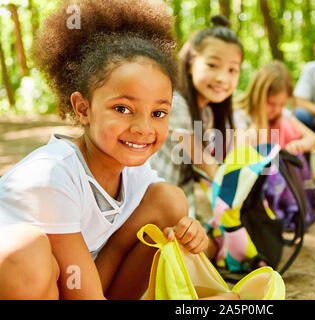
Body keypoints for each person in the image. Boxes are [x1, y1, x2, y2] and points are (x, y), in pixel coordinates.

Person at [0, 0, 237, 300]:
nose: (143, 128)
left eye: (158, 113)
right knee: (27, 251)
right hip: (32, 283)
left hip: (82, 285)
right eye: (122, 108)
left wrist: (190, 232)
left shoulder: (136, 172)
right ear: (82, 108)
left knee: (169, 201)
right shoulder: (50, 177)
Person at [149, 15, 243, 221]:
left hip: (177, 199)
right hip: (149, 202)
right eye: (212, 65)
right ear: (190, 64)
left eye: (232, 70)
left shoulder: (207, 112)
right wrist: (240, 192)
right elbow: (203, 161)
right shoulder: (175, 103)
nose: (222, 78)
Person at [234, 60, 315, 155]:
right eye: (271, 103)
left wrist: (298, 144)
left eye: (282, 104)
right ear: (257, 95)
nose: (277, 110)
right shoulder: (241, 116)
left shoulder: (282, 113)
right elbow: (240, 151)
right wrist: (259, 126)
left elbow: (313, 138)